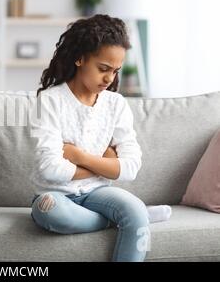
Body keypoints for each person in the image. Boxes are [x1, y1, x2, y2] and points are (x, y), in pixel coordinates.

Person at [30, 14, 171, 262]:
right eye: (103, 69)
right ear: (80, 58)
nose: (110, 79)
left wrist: (80, 157)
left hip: (98, 194)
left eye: (116, 71)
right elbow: (50, 169)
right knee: (47, 210)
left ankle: (134, 215)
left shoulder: (116, 104)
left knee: (132, 210)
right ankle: (130, 218)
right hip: (58, 195)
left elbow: (131, 167)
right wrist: (105, 165)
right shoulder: (50, 101)